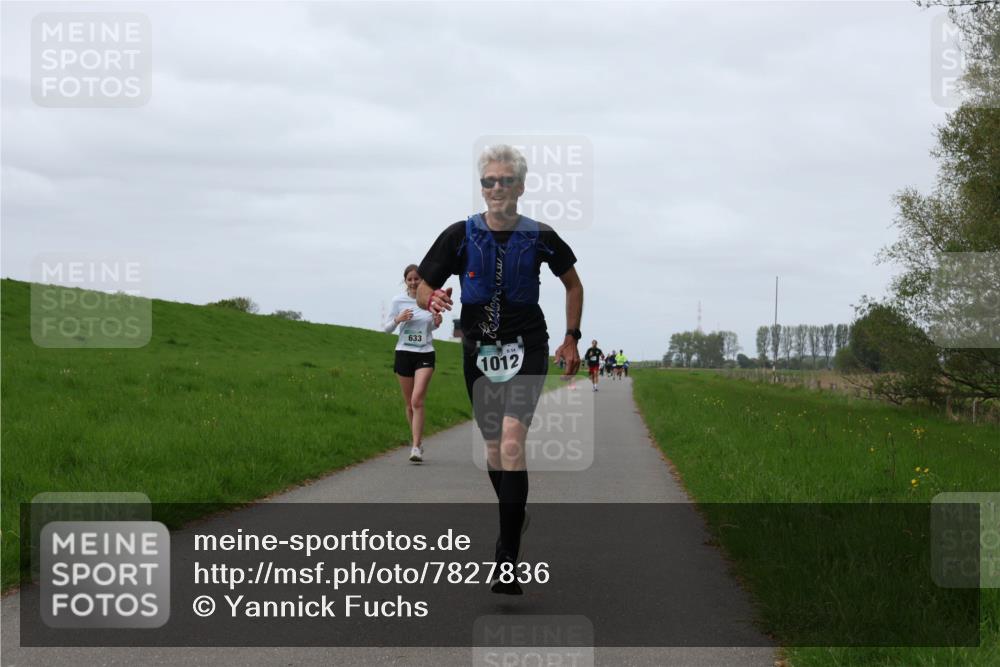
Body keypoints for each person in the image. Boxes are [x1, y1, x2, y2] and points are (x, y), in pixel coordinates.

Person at [417, 144, 583, 595]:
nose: (495, 188)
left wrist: (572, 336)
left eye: (504, 181)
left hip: (529, 346)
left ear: (520, 187)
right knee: (494, 449)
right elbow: (423, 285)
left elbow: (572, 282)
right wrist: (430, 298)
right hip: (479, 351)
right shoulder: (460, 235)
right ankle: (516, 514)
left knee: (512, 441)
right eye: (488, 181)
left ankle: (506, 557)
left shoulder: (541, 235)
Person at [384, 264, 442, 463]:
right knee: (409, 405)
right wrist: (398, 319)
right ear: (405, 281)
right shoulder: (398, 301)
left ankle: (416, 447)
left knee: (417, 400)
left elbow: (432, 326)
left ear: (422, 280)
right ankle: (416, 440)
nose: (413, 282)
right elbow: (387, 329)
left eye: (417, 278)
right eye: (410, 279)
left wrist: (437, 320)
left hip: (425, 353)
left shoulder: (429, 299)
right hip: (403, 353)